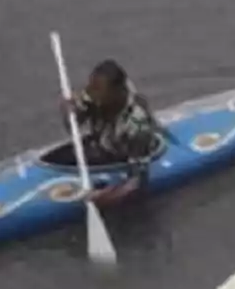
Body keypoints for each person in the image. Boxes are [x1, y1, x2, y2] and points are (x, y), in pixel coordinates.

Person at [60, 59, 165, 205]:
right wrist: (67, 110)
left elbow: (138, 183)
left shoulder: (137, 125)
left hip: (128, 155)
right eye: (91, 87)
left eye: (98, 90)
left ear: (116, 92)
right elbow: (73, 127)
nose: (90, 94)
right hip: (104, 148)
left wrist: (109, 198)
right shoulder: (94, 97)